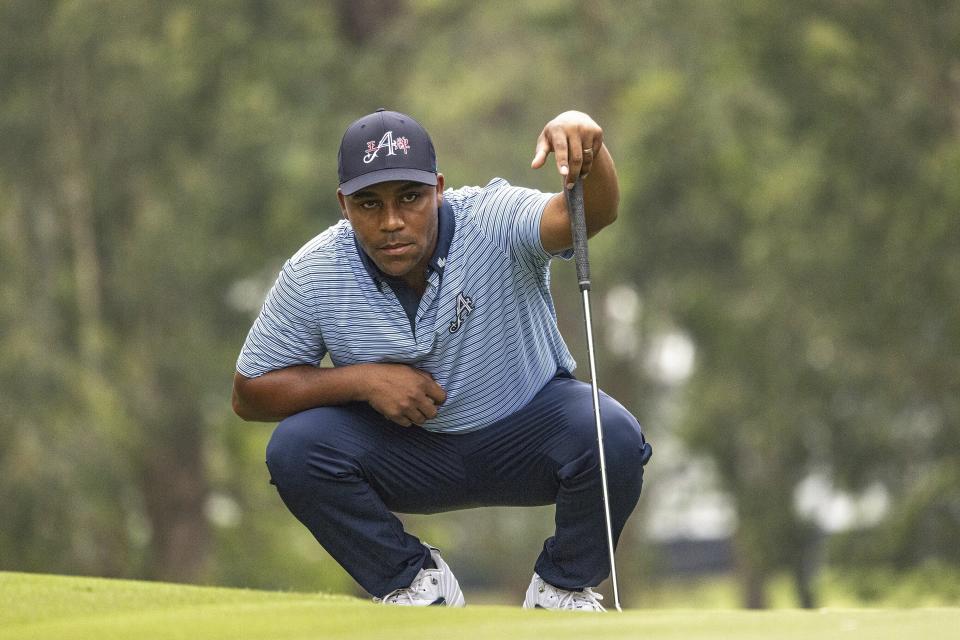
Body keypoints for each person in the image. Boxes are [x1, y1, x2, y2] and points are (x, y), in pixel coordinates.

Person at [232, 108, 652, 611]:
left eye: (410, 198)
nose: (391, 222)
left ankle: (561, 590)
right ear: (344, 204)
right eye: (369, 203)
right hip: (408, 456)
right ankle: (414, 583)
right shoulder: (314, 272)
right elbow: (250, 392)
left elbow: (591, 214)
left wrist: (590, 147)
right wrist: (363, 381)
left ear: (438, 188)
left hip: (525, 432)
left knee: (614, 436)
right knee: (295, 449)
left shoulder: (491, 218)